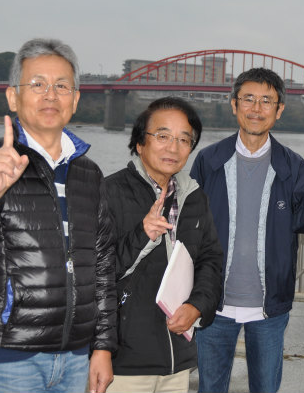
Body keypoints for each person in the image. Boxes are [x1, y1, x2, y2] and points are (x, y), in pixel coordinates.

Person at [0, 38, 117, 393]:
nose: (50, 95)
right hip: (9, 356)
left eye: (62, 86)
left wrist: (103, 347)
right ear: (13, 97)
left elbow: (103, 266)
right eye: (37, 84)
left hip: (76, 356)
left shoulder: (89, 174)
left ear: (75, 100)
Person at [190, 67, 304, 393]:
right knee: (210, 387)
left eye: (267, 101)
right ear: (234, 104)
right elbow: (188, 229)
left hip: (269, 305)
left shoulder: (293, 166)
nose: (256, 108)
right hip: (213, 301)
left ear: (279, 111)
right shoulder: (209, 161)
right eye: (248, 99)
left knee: (265, 387)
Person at [104, 97, 223, 393]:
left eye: (184, 139)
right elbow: (94, 272)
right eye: (163, 136)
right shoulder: (108, 192)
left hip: (177, 360)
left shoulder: (194, 197)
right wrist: (142, 234)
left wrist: (197, 306)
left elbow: (210, 261)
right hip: (125, 362)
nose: (173, 147)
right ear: (139, 143)